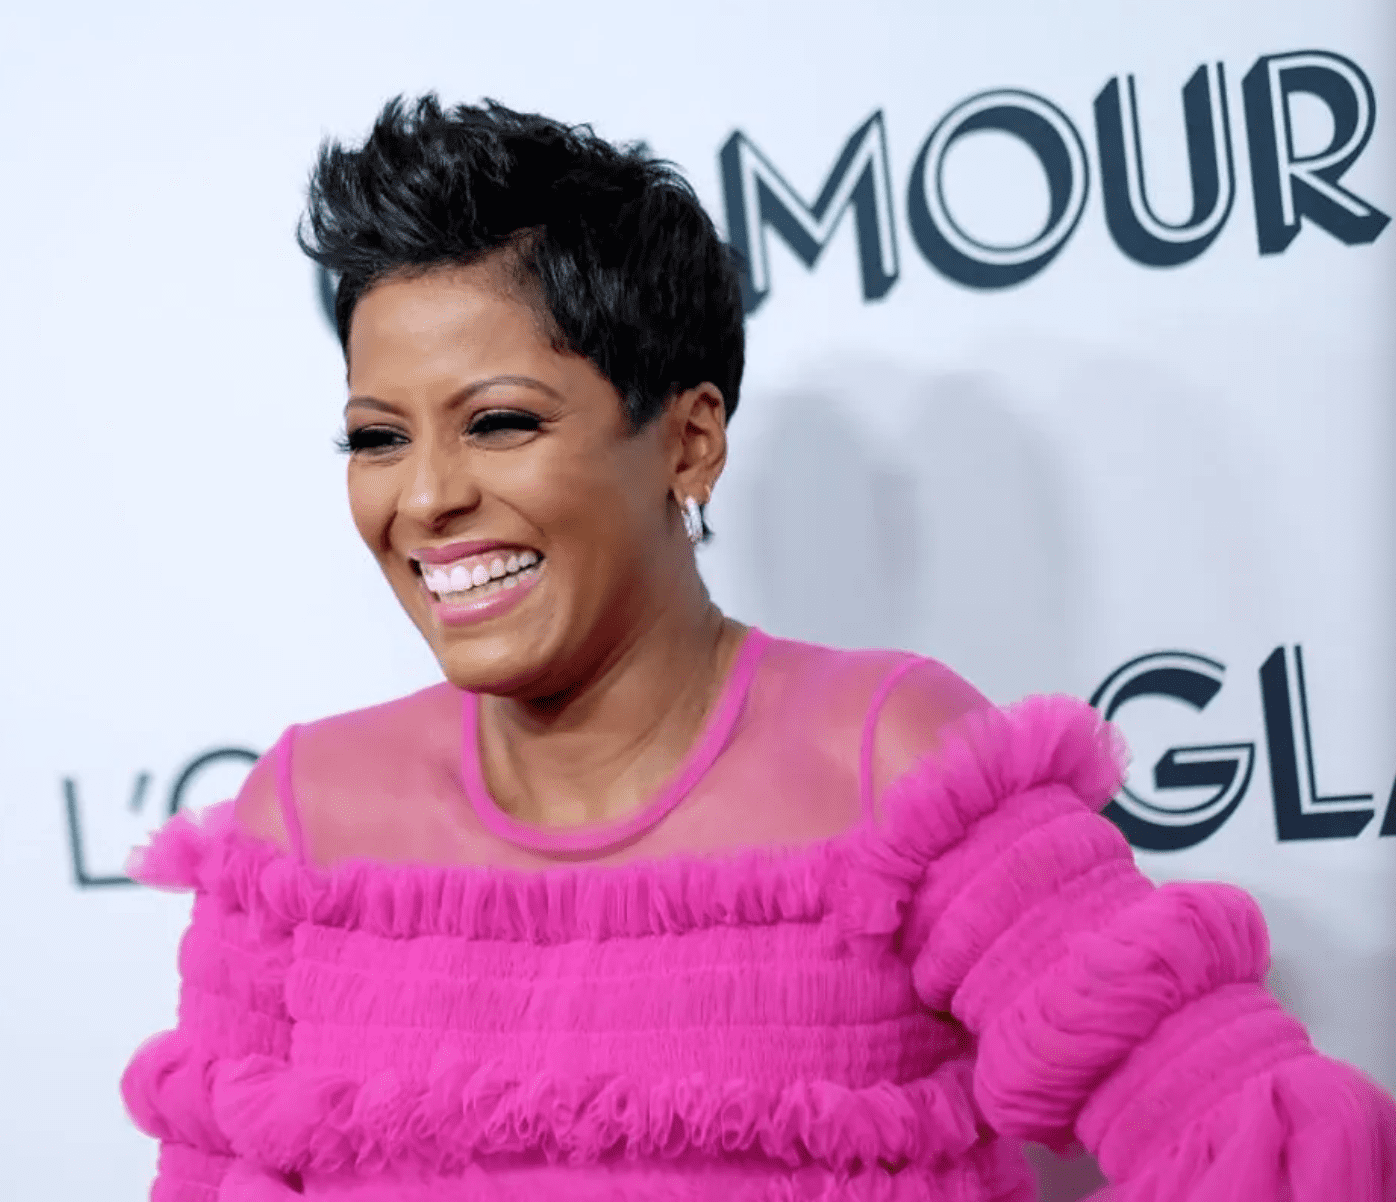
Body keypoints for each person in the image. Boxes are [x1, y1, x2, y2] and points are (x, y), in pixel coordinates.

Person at [121, 96, 1396, 1201]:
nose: (426, 497)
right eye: (376, 437)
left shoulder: (893, 759)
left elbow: (1257, 1137)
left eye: (499, 422)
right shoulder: (299, 823)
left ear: (687, 440)